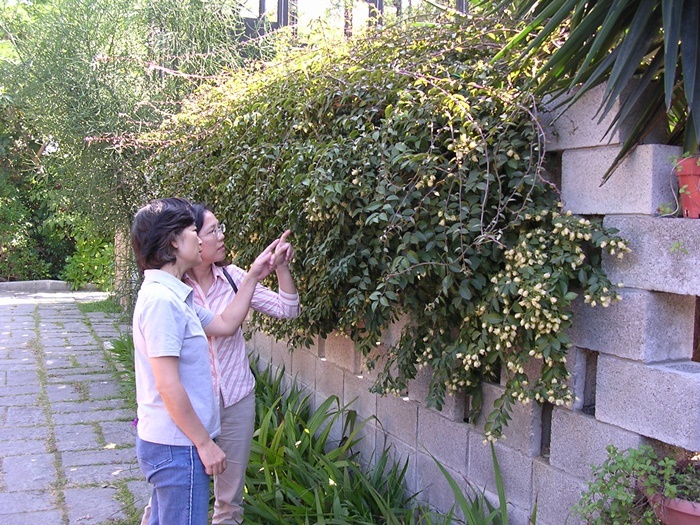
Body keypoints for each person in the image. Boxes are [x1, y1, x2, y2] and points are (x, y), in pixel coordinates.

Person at [130, 197, 286, 525]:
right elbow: (167, 383)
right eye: (191, 230)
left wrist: (254, 275)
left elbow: (226, 324)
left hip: (177, 442)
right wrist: (205, 444)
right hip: (177, 445)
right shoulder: (162, 302)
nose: (200, 239)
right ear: (173, 241)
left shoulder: (175, 295)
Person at [183, 203, 300, 525]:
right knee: (177, 491)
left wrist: (280, 267)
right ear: (191, 239)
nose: (222, 237)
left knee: (230, 500)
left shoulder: (234, 278)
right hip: (192, 405)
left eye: (221, 228)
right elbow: (222, 325)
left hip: (236, 398)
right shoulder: (176, 290)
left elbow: (288, 310)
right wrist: (253, 275)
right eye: (213, 231)